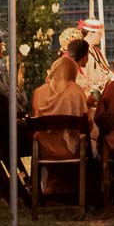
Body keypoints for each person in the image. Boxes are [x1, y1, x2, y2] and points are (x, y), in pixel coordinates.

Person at [31, 56, 93, 195]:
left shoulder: (39, 92)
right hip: (71, 149)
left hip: (44, 148)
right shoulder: (75, 91)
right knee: (94, 145)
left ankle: (55, 188)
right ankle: (83, 191)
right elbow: (87, 125)